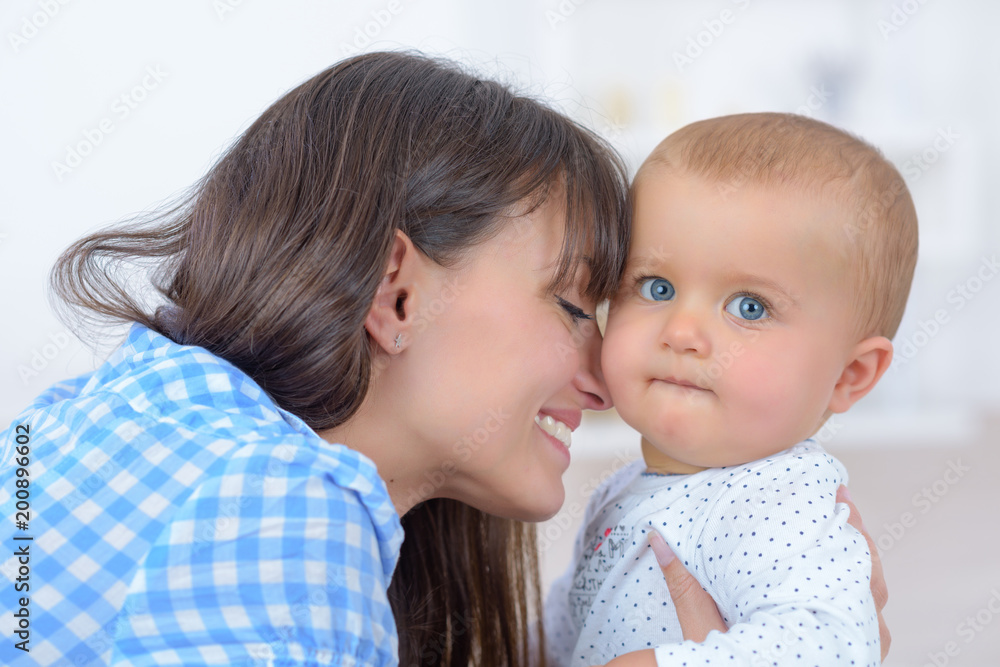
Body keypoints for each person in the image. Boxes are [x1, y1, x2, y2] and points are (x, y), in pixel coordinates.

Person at [0, 53, 886, 666]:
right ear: (398, 295)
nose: (606, 373)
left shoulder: (122, 415)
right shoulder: (288, 511)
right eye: (577, 303)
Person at [543, 113, 915, 666]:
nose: (683, 333)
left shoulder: (781, 498)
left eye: (749, 307)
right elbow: (565, 632)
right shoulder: (625, 491)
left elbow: (829, 644)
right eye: (656, 286)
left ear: (848, 375)